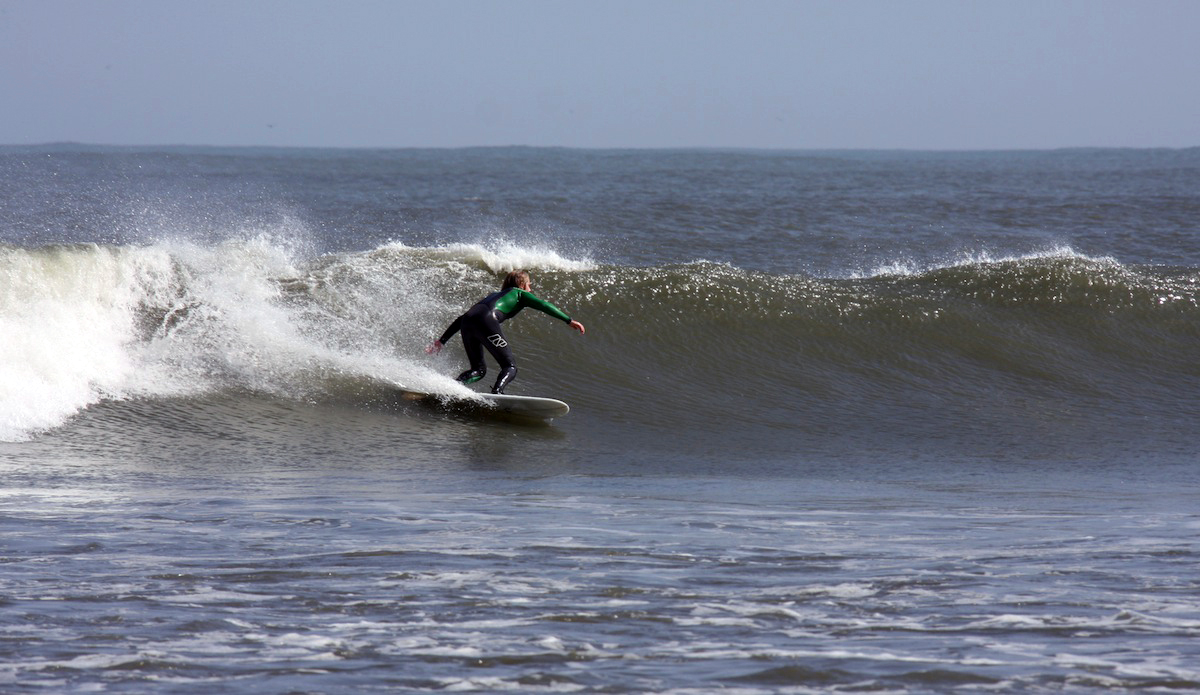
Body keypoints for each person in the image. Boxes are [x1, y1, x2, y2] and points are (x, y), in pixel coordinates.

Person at [427, 270, 585, 394]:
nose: (530, 288)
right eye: (529, 284)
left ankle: (451, 388)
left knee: (478, 370)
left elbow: (462, 318)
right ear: (522, 284)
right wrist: (568, 320)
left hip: (468, 322)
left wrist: (442, 341)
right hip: (486, 321)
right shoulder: (520, 294)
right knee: (510, 367)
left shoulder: (493, 295)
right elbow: (543, 305)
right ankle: (497, 392)